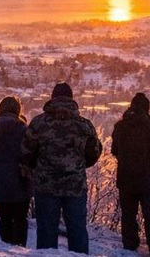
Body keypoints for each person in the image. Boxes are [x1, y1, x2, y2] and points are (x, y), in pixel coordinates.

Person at [21, 82, 103, 254]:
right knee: (77, 229)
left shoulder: (38, 123)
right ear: (72, 99)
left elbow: (26, 152)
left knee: (46, 230)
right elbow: (94, 152)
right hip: (75, 185)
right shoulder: (84, 125)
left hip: (46, 185)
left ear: (52, 98)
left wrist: (39, 167)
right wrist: (78, 166)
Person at [111, 92, 150, 257]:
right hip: (148, 181)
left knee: (128, 216)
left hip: (126, 179)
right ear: (147, 109)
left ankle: (129, 249)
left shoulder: (119, 127)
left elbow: (114, 150)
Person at [0, 95, 31, 246]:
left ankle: (5, 248)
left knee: (4, 217)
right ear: (18, 110)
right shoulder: (24, 129)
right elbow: (29, 153)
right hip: (20, 177)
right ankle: (20, 248)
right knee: (20, 218)